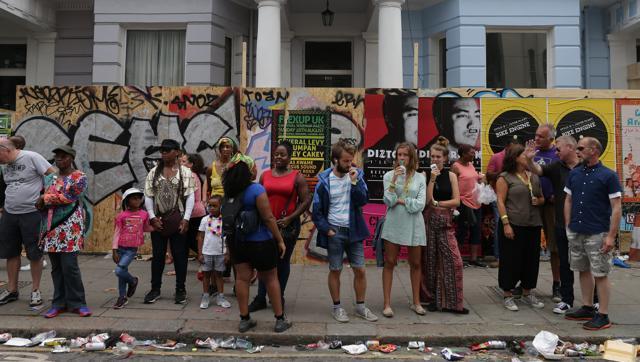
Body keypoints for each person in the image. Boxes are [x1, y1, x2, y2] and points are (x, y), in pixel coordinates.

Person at [222, 153, 291, 333]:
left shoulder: (229, 191)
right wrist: (280, 240)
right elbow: (268, 218)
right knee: (270, 278)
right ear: (247, 170)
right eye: (253, 167)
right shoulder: (256, 190)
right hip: (261, 241)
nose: (255, 170)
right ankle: (279, 319)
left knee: (242, 279)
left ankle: (245, 319)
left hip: (238, 242)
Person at [312, 140, 378, 323]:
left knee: (361, 270)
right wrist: (327, 230)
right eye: (346, 161)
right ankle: (337, 307)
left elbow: (363, 200)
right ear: (335, 160)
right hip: (335, 231)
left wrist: (355, 182)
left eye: (351, 160)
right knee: (335, 269)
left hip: (354, 231)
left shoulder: (357, 176)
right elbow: (316, 211)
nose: (350, 165)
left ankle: (360, 307)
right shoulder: (324, 182)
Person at [563, 137, 621, 330]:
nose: (577, 151)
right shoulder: (575, 173)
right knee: (582, 269)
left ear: (594, 150)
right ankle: (587, 307)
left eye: (580, 148)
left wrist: (611, 236)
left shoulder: (609, 175)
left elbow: (616, 207)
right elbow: (568, 200)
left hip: (598, 231)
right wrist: (567, 226)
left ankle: (603, 315)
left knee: (600, 273)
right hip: (577, 230)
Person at [249, 140, 311, 312]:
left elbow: (306, 200)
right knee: (264, 262)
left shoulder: (297, 177)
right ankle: (261, 298)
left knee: (282, 263)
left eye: (282, 154)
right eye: (276, 154)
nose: (278, 157)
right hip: (266, 225)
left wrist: (291, 218)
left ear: (289, 157)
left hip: (287, 226)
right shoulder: (265, 175)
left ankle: (278, 297)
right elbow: (258, 197)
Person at [526, 135, 579, 314]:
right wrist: (529, 159)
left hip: (583, 224)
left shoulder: (585, 167)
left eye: (559, 149)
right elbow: (538, 170)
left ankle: (594, 301)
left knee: (587, 265)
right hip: (562, 222)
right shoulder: (557, 166)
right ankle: (567, 299)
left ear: (571, 148)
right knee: (564, 262)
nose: (556, 152)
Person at [37, 145, 91, 318]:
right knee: (56, 268)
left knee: (70, 266)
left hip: (70, 227)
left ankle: (78, 303)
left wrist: (45, 199)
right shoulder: (50, 178)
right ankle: (58, 303)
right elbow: (45, 198)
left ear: (71, 158)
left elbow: (69, 197)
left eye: (62, 157)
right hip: (51, 227)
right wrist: (42, 202)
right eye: (57, 157)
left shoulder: (79, 177)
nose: (59, 160)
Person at [0, 138, 55, 306]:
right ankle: (12, 290)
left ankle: (35, 291)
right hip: (10, 213)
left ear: (6, 150)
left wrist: (45, 197)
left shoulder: (32, 157)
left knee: (34, 253)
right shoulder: (5, 165)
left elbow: (53, 175)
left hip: (32, 213)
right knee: (11, 252)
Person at [143, 139, 195, 305]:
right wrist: (151, 216)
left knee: (180, 256)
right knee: (158, 256)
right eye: (162, 150)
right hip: (159, 219)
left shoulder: (184, 172)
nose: (164, 153)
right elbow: (148, 195)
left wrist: (186, 218)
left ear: (177, 152)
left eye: (167, 150)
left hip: (178, 219)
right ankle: (155, 289)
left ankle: (180, 289)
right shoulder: (154, 172)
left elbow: (190, 196)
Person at [421, 137, 468, 314]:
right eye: (432, 156)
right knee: (430, 262)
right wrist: (432, 180)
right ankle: (434, 300)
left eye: (438, 157)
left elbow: (456, 200)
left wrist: (438, 203)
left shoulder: (451, 175)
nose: (434, 159)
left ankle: (454, 302)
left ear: (445, 158)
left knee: (454, 260)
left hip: (446, 222)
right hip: (429, 223)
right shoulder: (425, 174)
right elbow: (426, 201)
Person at [496, 144, 545, 311]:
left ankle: (527, 291)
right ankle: (508, 294)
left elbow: (541, 198)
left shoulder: (533, 176)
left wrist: (539, 201)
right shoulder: (505, 177)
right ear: (515, 158)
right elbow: (500, 201)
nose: (528, 157)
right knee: (511, 259)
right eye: (525, 155)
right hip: (513, 223)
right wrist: (506, 224)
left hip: (533, 223)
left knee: (531, 260)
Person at [380, 142, 426, 317]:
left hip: (414, 224)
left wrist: (402, 201)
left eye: (405, 155)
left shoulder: (420, 177)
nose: (401, 158)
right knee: (390, 262)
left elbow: (420, 205)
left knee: (415, 263)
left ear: (411, 157)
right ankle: (386, 304)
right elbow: (388, 201)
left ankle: (416, 302)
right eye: (399, 154)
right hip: (394, 223)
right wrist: (393, 181)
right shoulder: (389, 175)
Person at [533, 125, 561, 303]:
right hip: (533, 204)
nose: (536, 139)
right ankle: (526, 283)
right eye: (535, 135)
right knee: (528, 245)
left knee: (555, 247)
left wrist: (556, 195)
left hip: (551, 206)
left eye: (541, 137)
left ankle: (557, 284)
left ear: (551, 139)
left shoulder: (557, 155)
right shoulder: (531, 153)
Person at [112, 188, 152, 309]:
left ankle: (133, 281)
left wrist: (157, 227)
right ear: (127, 201)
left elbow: (145, 228)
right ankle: (122, 297)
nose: (137, 200)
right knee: (121, 271)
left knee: (119, 271)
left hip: (131, 249)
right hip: (120, 247)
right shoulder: (121, 216)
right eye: (134, 198)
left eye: (139, 198)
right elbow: (117, 232)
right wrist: (114, 250)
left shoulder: (144, 215)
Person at [486, 136, 522, 267]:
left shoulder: (519, 158)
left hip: (515, 199)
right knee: (500, 226)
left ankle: (513, 257)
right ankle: (499, 257)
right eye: (512, 148)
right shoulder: (496, 157)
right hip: (498, 197)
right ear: (507, 147)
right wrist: (503, 173)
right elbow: (488, 175)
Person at [452, 143, 486, 267]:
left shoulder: (471, 165)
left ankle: (473, 259)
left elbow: (474, 179)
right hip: (463, 203)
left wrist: (480, 178)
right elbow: (453, 185)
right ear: (464, 154)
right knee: (462, 231)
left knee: (476, 230)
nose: (474, 155)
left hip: (476, 203)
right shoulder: (455, 167)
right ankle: (457, 259)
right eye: (471, 153)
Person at [197, 195, 231, 309]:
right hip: (207, 252)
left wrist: (227, 253)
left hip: (220, 253)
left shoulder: (224, 220)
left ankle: (220, 297)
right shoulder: (205, 220)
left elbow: (227, 238)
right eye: (209, 205)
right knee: (206, 275)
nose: (211, 208)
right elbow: (200, 237)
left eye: (215, 206)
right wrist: (200, 253)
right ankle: (205, 296)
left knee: (219, 275)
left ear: (221, 207)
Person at [433, 98, 481, 162]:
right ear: (441, 121)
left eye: (477, 116)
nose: (473, 125)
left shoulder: (477, 157)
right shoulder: (428, 157)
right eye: (463, 115)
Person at [181, 153, 207, 256]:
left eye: (184, 161)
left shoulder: (190, 175)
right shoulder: (194, 175)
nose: (181, 163)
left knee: (190, 241)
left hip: (194, 212)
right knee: (191, 241)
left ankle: (208, 263)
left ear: (191, 164)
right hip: (197, 211)